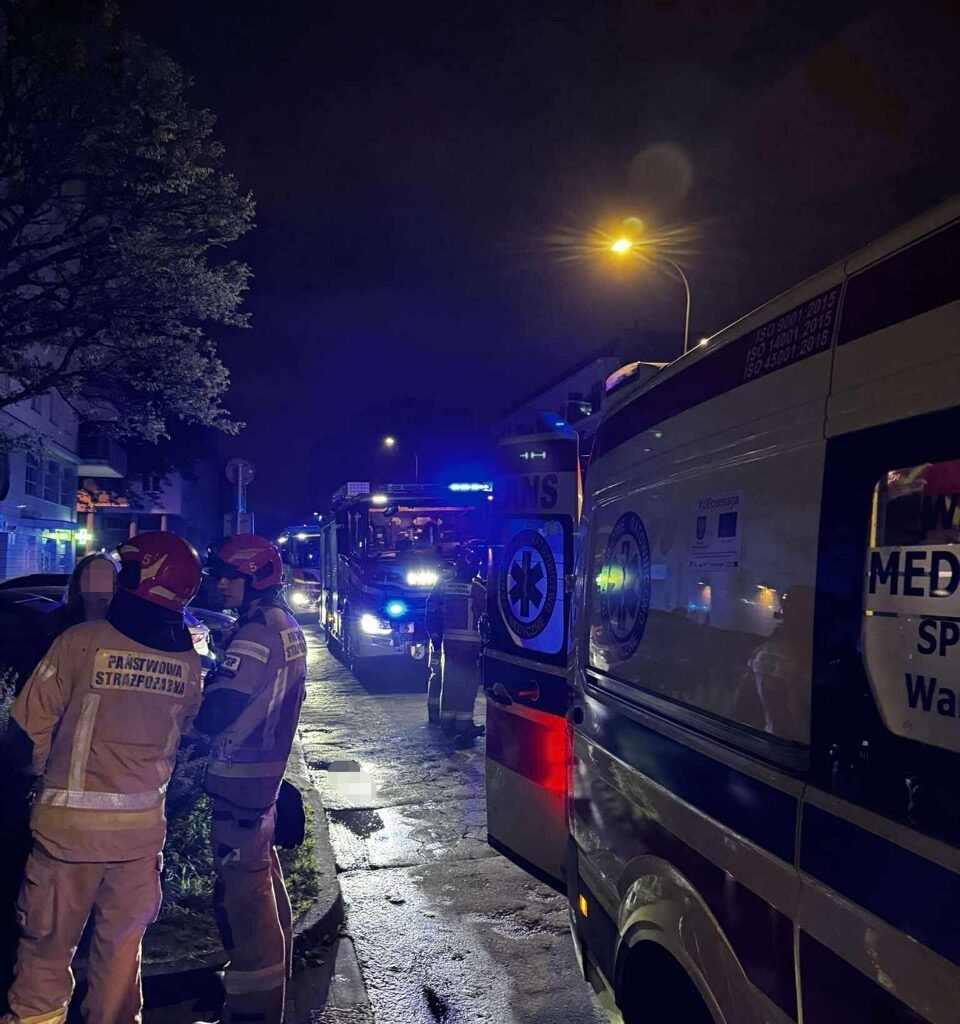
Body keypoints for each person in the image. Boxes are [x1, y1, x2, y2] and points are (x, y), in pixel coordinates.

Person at [1, 531, 204, 1024]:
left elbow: (24, 739)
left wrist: (38, 776)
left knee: (45, 960)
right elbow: (183, 733)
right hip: (140, 840)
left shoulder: (80, 642)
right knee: (119, 961)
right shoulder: (187, 663)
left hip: (67, 838)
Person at [193, 534, 307, 1024]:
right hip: (264, 781)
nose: (220, 584)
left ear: (257, 579)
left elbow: (218, 709)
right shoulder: (283, 624)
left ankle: (252, 1014)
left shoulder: (255, 634)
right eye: (218, 575)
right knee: (264, 894)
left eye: (230, 576)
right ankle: (272, 993)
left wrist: (197, 685)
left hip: (239, 781)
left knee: (245, 910)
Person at [425, 544, 487, 746]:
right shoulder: (476, 588)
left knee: (448, 683)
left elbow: (432, 610)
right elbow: (488, 612)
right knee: (467, 687)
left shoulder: (444, 585)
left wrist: (435, 636)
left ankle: (445, 721)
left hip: (447, 644)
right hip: (469, 646)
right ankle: (463, 725)